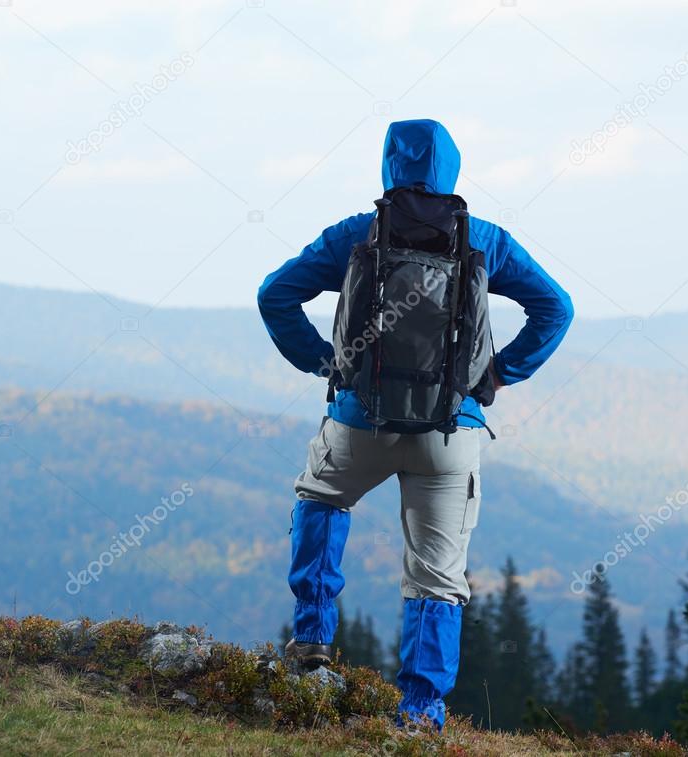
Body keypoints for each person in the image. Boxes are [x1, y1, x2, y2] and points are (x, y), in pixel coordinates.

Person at [256, 118, 573, 730]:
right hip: (451, 432)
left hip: (360, 421)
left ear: (388, 167)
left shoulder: (357, 234)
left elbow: (275, 294)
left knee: (320, 498)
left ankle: (313, 642)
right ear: (451, 169)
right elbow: (556, 308)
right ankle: (420, 713)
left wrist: (327, 363)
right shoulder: (486, 239)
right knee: (435, 574)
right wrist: (500, 375)